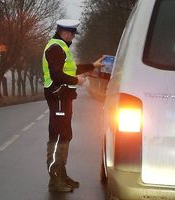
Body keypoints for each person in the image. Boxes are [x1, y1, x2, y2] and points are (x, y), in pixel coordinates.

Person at [42, 19, 104, 192]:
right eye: (70, 34)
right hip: (58, 96)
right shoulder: (56, 48)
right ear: (63, 32)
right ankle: (55, 180)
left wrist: (92, 66)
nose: (72, 38)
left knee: (65, 135)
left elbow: (71, 69)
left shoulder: (61, 48)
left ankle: (61, 175)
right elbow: (57, 75)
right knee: (58, 137)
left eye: (73, 34)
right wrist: (77, 80)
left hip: (64, 97)